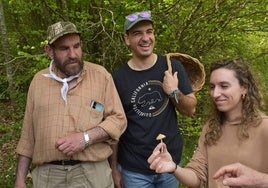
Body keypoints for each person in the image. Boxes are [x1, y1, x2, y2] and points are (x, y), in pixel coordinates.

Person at [14, 21, 127, 188]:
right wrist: (20, 179)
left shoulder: (100, 76)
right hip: (47, 176)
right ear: (49, 51)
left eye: (76, 46)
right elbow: (28, 136)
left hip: (92, 174)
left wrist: (85, 138)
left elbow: (118, 119)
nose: (73, 54)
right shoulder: (38, 81)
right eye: (64, 48)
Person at [109, 11, 197, 188]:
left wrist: (174, 91)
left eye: (149, 31)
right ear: (126, 39)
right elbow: (114, 127)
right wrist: (114, 168)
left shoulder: (171, 66)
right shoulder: (117, 79)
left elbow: (190, 109)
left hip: (169, 163)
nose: (145, 38)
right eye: (137, 33)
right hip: (134, 169)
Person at [148, 58, 268, 187]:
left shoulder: (264, 128)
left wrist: (260, 180)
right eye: (212, 87)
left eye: (224, 86)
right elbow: (196, 176)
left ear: (244, 88)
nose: (215, 94)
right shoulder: (211, 128)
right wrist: (173, 168)